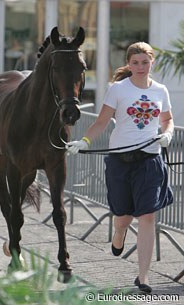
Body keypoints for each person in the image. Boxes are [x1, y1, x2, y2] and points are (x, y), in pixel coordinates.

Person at [67, 42, 174, 293]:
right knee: (123, 217)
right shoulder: (118, 89)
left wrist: (167, 133)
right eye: (135, 62)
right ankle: (119, 233)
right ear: (129, 64)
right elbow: (102, 122)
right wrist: (83, 141)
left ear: (152, 63)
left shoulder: (160, 90)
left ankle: (144, 276)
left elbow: (167, 120)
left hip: (149, 160)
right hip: (119, 161)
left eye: (144, 62)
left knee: (147, 216)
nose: (140, 67)